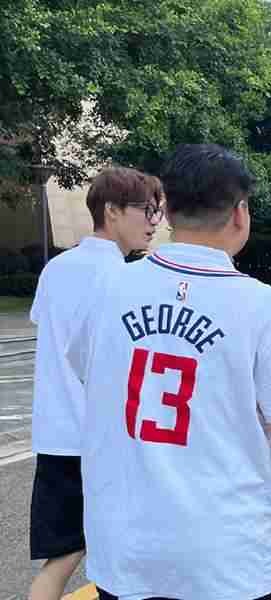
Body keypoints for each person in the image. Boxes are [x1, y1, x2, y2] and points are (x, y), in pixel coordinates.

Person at [65, 144, 271, 599]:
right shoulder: (261, 306)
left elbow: (85, 367)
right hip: (232, 554)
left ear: (166, 211)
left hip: (127, 547)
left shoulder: (107, 287)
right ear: (240, 213)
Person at [28, 167, 163, 600]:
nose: (153, 221)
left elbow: (47, 330)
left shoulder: (56, 268)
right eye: (145, 209)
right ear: (112, 210)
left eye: (157, 211)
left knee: (62, 557)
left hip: (55, 434)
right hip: (104, 440)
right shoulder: (125, 279)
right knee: (127, 558)